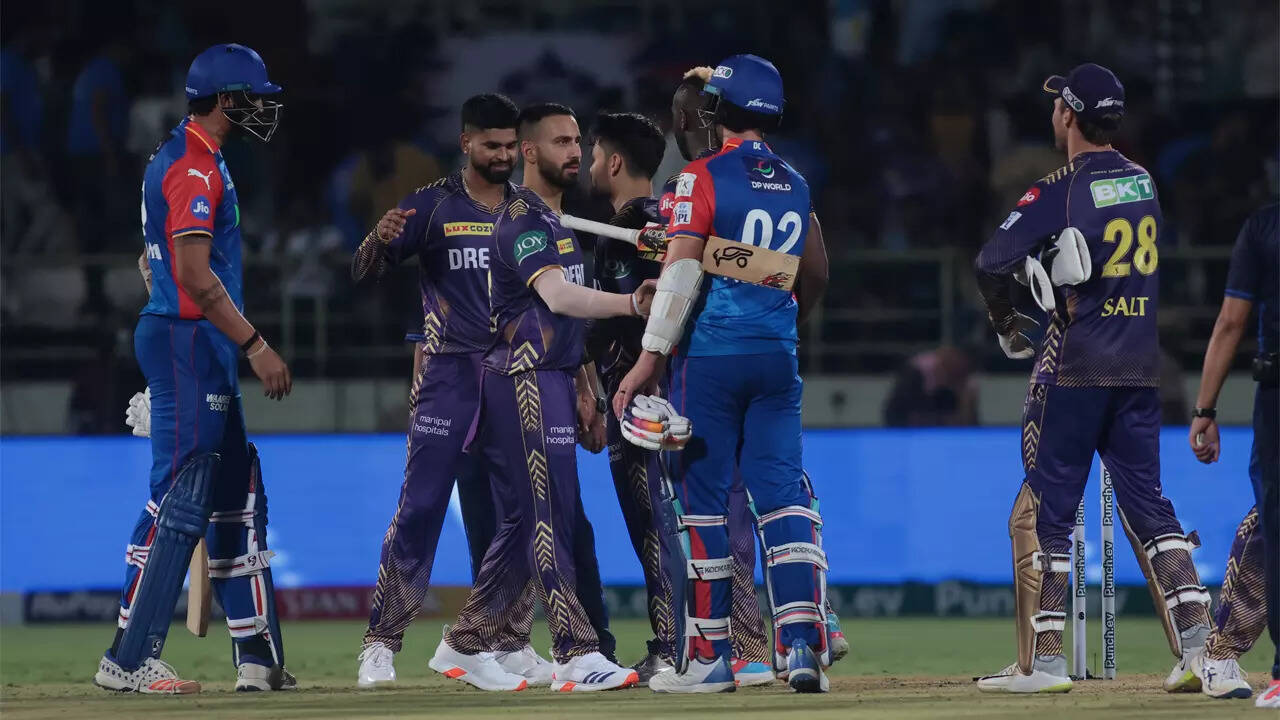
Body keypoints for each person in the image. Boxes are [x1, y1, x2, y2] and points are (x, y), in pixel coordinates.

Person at [972, 63, 1212, 694]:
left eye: (1058, 105)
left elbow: (990, 261)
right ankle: (1201, 650)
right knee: (1151, 507)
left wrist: (1010, 321)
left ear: (1069, 116)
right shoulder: (1144, 181)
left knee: (1050, 514)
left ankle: (1047, 663)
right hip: (1140, 368)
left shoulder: (1060, 189)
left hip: (1075, 368)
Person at [615, 54, 832, 693]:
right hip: (777, 355)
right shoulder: (796, 182)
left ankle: (710, 659)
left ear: (716, 112)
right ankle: (802, 645)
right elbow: (807, 273)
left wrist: (648, 358)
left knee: (703, 505)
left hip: (709, 358)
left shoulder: (698, 176)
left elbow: (683, 269)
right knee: (784, 497)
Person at [95, 43, 293, 695]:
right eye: (253, 97)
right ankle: (128, 660)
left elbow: (153, 258)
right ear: (225, 98)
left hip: (195, 341)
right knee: (180, 497)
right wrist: (256, 344)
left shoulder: (191, 155)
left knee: (235, 492)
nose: (262, 108)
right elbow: (192, 274)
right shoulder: (193, 166)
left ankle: (257, 658)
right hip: (190, 340)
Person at [437, 103, 655, 692]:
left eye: (578, 140)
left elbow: (564, 322)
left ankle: (463, 641)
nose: (575, 151)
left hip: (552, 378)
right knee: (545, 517)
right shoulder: (526, 220)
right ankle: (575, 652)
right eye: (561, 141)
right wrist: (632, 303)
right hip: (524, 379)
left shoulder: (558, 223)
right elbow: (559, 298)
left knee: (528, 520)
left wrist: (586, 388)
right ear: (529, 151)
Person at [351, 94, 555, 690]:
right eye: (491, 145)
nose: (503, 155)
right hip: (449, 377)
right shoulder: (431, 205)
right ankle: (380, 644)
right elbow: (364, 272)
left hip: (514, 376)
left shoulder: (530, 212)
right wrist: (378, 240)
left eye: (510, 145)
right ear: (466, 142)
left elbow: (556, 299)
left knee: (522, 514)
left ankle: (504, 641)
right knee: (420, 508)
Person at [1188, 202, 1278, 707]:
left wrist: (1205, 408)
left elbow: (1230, 322)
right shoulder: (1264, 228)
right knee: (1268, 525)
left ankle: (1223, 652)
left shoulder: (1264, 227)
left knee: (1271, 524)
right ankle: (1221, 651)